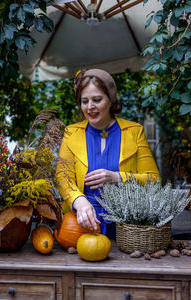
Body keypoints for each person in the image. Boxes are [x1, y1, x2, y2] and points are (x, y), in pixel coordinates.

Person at [56, 68, 159, 239]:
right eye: (84, 101)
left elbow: (153, 180)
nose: (90, 107)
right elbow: (62, 177)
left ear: (111, 100)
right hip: (81, 225)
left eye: (97, 99)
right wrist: (78, 201)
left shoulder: (134, 131)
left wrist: (117, 178)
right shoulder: (71, 133)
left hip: (128, 227)